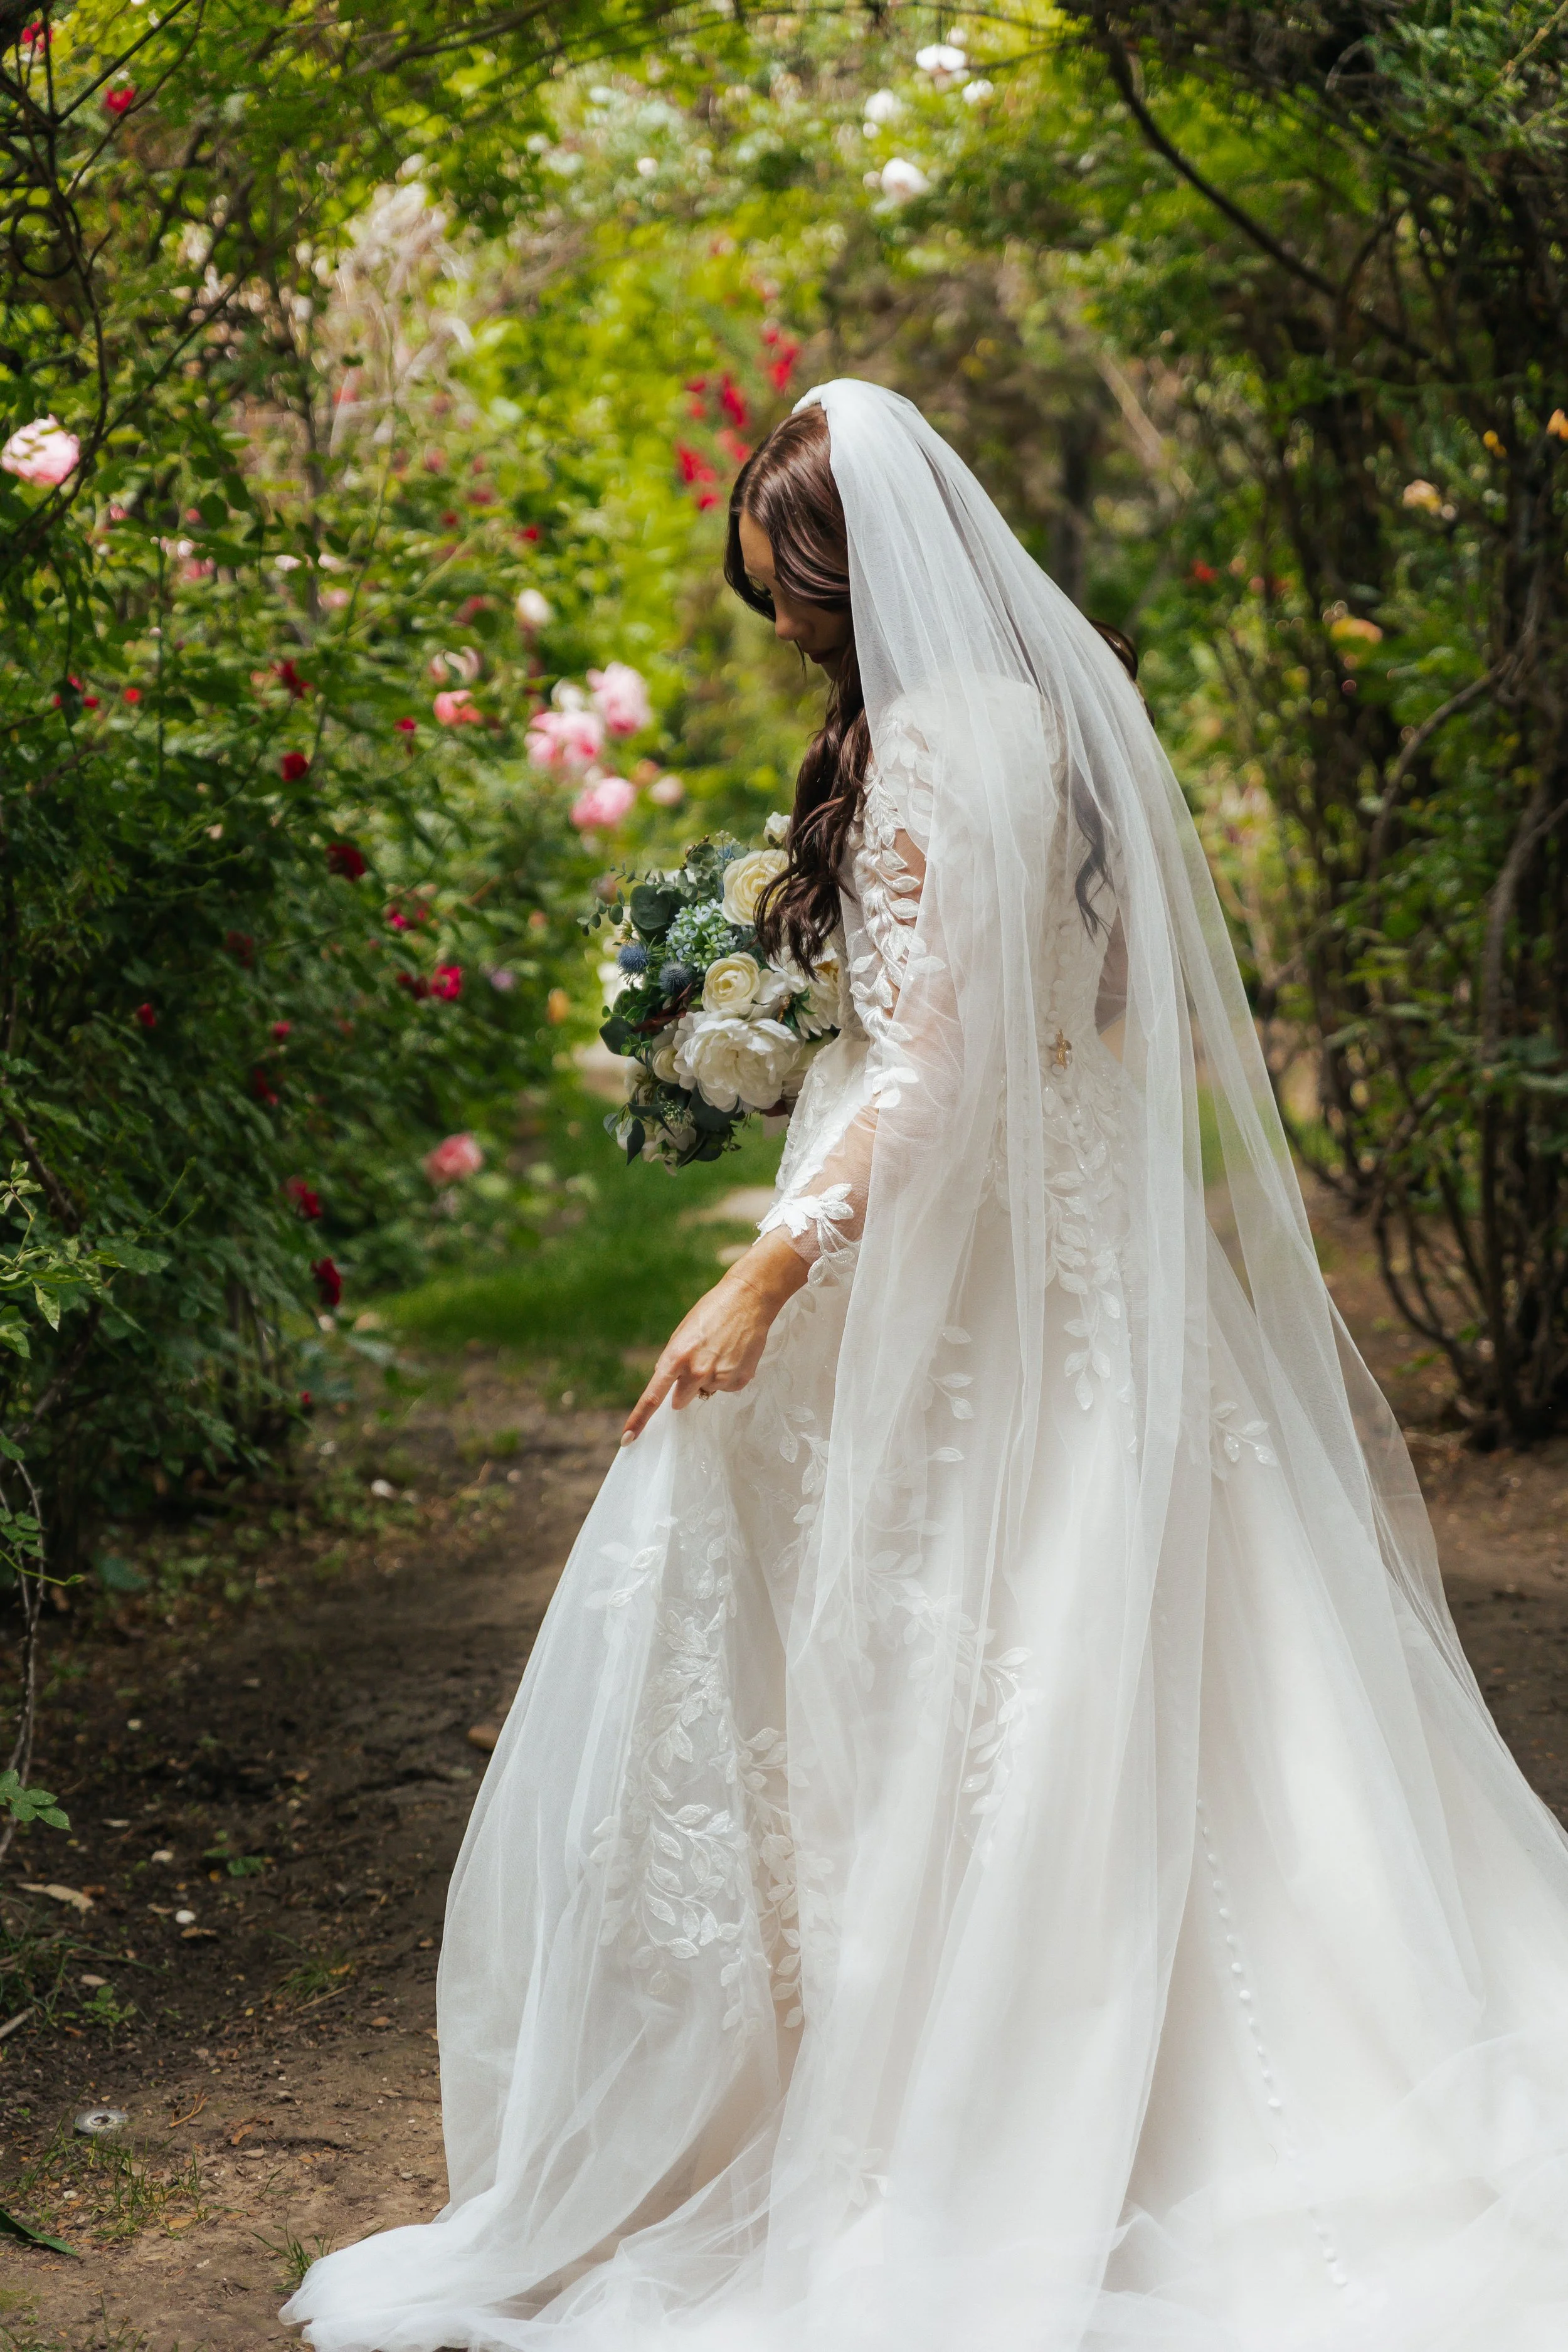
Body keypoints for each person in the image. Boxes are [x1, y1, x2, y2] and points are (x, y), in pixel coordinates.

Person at [286, 381, 1568, 2352]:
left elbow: (948, 1063)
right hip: (1053, 1241)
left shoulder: (927, 756)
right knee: (1137, 1634)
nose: (784, 628)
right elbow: (1042, 1027)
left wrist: (768, 1270)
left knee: (960, 1633)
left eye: (790, 595)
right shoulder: (1036, 728)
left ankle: (964, 2089)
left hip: (946, 1250)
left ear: (851, 567)